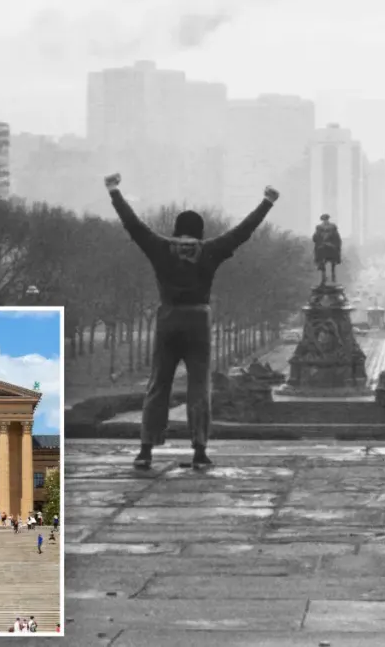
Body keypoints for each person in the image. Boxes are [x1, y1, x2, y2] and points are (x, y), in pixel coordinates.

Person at [105, 173, 278, 470]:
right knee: (199, 387)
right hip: (198, 319)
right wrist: (267, 202)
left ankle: (145, 450)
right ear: (200, 231)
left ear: (176, 229)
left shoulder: (160, 247)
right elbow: (243, 231)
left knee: (158, 384)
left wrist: (114, 192)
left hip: (168, 317)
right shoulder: (209, 250)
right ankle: (199, 451)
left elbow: (133, 224)